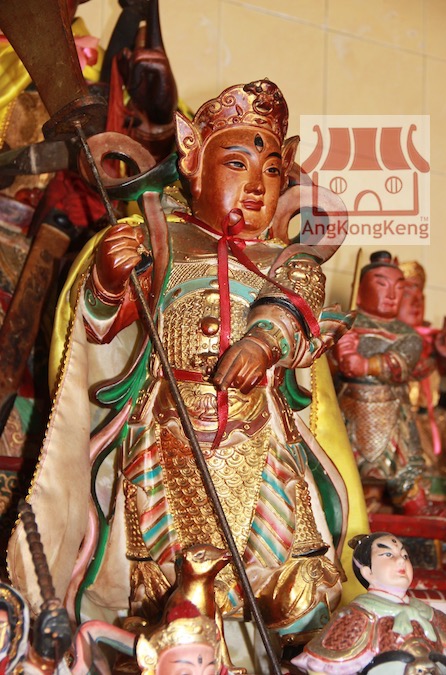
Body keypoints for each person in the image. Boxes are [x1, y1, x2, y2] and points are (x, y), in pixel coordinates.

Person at [8, 79, 355, 649]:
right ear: (192, 158)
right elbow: (100, 329)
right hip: (167, 431)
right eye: (237, 164)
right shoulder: (162, 242)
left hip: (258, 436)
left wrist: (262, 343)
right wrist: (108, 281)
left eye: (272, 171)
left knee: (289, 575)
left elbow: (298, 309)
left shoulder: (289, 259)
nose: (255, 185)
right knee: (158, 571)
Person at [332, 250, 442, 514]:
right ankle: (351, 504)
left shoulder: (407, 335)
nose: (392, 295)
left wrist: (364, 365)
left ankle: (413, 502)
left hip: (393, 409)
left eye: (399, 288)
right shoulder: (345, 326)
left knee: (405, 468)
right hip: (349, 406)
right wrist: (336, 350)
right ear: (360, 292)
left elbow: (402, 361)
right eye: (382, 284)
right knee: (341, 467)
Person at [292, 532, 446, 674]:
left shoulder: (432, 615)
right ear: (368, 572)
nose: (401, 560)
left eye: (405, 555)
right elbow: (320, 668)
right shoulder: (356, 618)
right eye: (388, 554)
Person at [397, 260, 446, 477]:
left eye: (421, 295)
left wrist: (444, 357)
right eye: (408, 293)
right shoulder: (379, 337)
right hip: (397, 422)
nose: (416, 302)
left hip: (430, 422)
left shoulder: (434, 340)